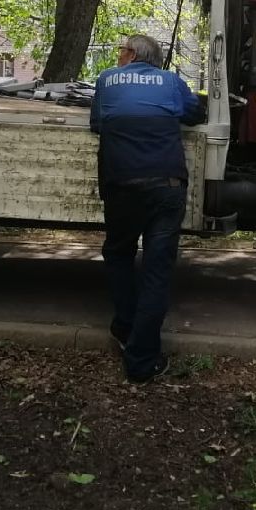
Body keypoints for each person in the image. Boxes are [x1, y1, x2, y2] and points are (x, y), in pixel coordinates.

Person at [89, 33, 207, 383]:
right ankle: (141, 361)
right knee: (156, 270)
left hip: (122, 186)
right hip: (166, 188)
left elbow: (97, 123)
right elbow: (195, 114)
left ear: (132, 55)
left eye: (121, 49)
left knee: (119, 253)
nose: (119, 54)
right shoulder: (171, 82)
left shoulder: (107, 79)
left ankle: (125, 328)